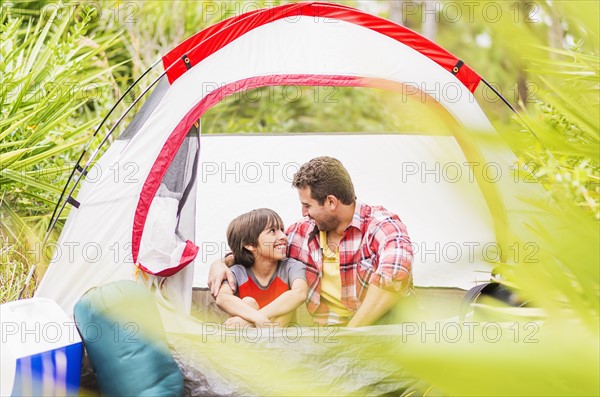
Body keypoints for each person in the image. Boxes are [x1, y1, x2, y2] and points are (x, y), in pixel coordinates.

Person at [210, 157, 414, 327]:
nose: (303, 212)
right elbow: (264, 249)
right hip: (330, 335)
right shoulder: (302, 232)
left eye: (307, 205)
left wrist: (350, 338)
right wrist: (219, 264)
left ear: (331, 202)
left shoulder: (382, 226)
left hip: (383, 331)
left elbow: (393, 275)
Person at [215, 208, 308, 328]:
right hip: (248, 340)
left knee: (287, 303)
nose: (283, 236)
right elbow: (222, 298)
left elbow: (299, 293)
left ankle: (267, 337)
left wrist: (255, 319)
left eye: (282, 230)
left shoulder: (292, 266)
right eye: (272, 231)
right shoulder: (237, 271)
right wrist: (257, 318)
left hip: (281, 337)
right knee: (249, 302)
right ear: (250, 244)